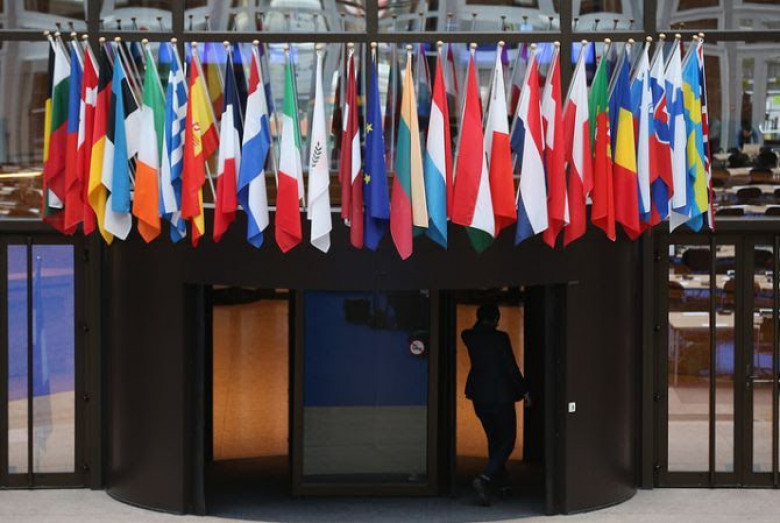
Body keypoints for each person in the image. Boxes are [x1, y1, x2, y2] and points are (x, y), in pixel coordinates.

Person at [461, 304, 530, 506]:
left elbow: (473, 332)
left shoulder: (469, 336)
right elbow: (510, 367)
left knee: (494, 440)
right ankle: (485, 478)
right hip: (501, 396)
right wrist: (524, 390)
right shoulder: (500, 338)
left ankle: (503, 485)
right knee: (507, 440)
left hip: (479, 396)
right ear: (496, 319)